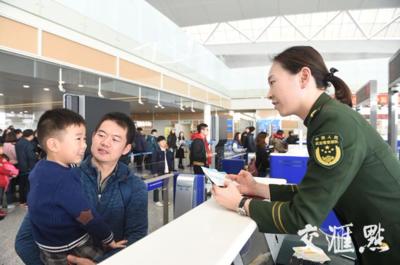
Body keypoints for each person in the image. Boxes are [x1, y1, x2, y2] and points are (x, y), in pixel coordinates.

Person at [211, 46, 400, 265]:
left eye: (273, 82)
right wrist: (255, 188)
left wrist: (241, 204)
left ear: (303, 76)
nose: (269, 93)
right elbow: (312, 193)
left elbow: (303, 217)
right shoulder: (326, 119)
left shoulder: (333, 123)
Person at [15, 112, 148, 265]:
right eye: (101, 135)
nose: (105, 142)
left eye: (115, 139)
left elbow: (136, 238)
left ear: (126, 148)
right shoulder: (61, 178)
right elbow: (24, 239)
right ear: (93, 136)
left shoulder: (135, 187)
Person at [15, 129, 38, 207]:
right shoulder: (28, 144)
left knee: (22, 184)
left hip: (21, 166)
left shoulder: (18, 142)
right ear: (31, 135)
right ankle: (28, 202)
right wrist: (36, 155)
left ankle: (22, 201)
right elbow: (30, 155)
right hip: (28, 167)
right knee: (28, 185)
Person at [151, 135, 172, 207]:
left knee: (165, 186)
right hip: (159, 171)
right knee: (157, 186)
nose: (163, 142)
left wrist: (170, 169)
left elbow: (169, 161)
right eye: (161, 141)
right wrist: (154, 172)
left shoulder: (167, 150)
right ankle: (156, 200)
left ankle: (164, 199)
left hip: (166, 171)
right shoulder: (156, 150)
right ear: (158, 143)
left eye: (164, 141)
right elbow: (153, 162)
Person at [4, 131, 18, 209]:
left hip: (4, 165)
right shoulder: (12, 146)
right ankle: (11, 199)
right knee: (11, 183)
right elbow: (15, 156)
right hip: (12, 164)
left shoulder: (4, 145)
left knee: (7, 183)